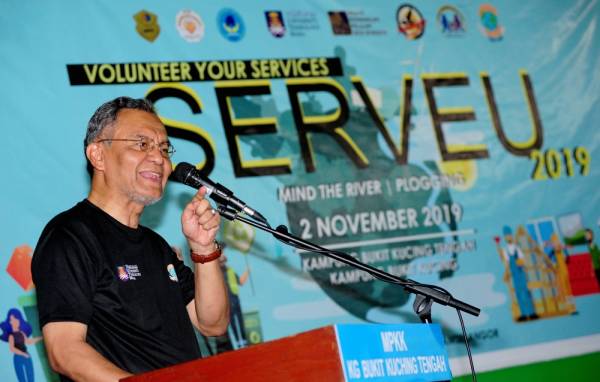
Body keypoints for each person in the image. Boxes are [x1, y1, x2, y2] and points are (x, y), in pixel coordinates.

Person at [31, 97, 230, 381]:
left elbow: (213, 324)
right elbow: (64, 351)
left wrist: (203, 248)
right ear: (98, 155)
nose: (159, 158)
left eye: (164, 148)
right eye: (142, 144)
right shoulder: (70, 236)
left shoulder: (156, 246)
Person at [494, 226, 538, 321]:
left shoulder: (517, 248)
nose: (508, 237)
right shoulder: (505, 250)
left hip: (521, 273)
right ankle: (523, 314)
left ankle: (532, 312)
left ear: (512, 236)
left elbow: (522, 260)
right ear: (505, 238)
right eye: (506, 236)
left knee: (526, 293)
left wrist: (520, 263)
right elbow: (506, 263)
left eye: (509, 235)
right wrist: (507, 273)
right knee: (518, 294)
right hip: (514, 275)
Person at [0, 308, 42, 382]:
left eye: (17, 319)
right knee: (22, 379)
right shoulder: (11, 336)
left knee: (31, 378)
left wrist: (41, 337)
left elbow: (28, 341)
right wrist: (23, 354)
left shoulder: (21, 333)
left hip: (27, 356)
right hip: (18, 358)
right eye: (13, 319)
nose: (16, 321)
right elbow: (12, 348)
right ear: (10, 322)